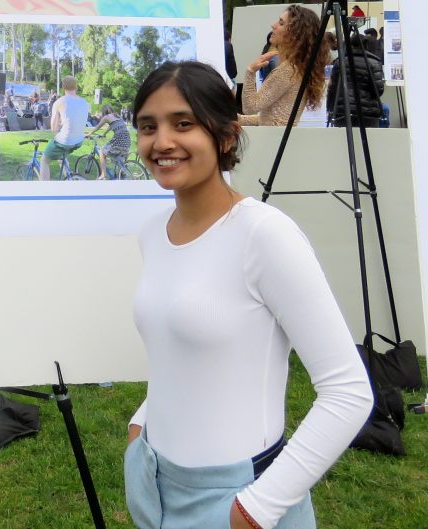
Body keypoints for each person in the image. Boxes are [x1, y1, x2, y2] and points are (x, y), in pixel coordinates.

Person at [124, 61, 373, 529]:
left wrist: (256, 508)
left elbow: (348, 391)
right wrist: (141, 428)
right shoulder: (152, 233)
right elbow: (176, 351)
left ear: (226, 136)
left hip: (239, 500)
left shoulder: (264, 235)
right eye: (147, 127)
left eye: (184, 123)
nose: (162, 142)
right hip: (153, 480)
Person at [240, 5, 328, 126]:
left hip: (273, 142)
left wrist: (250, 71)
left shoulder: (288, 71)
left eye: (281, 23)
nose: (273, 25)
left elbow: (250, 107)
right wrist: (238, 120)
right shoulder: (299, 68)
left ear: (294, 34)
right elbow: (272, 119)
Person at [327, 33, 386, 128]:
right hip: (368, 113)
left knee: (342, 141)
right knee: (368, 141)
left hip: (343, 111)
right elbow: (378, 90)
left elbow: (333, 87)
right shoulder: (374, 62)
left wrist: (330, 108)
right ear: (366, 45)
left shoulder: (340, 62)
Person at [40, 75, 88, 180]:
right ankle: (69, 178)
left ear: (63, 87)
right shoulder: (84, 102)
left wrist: (59, 127)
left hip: (66, 140)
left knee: (44, 161)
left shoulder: (59, 102)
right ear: (76, 87)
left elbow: (53, 129)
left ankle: (43, 190)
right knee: (62, 156)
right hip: (79, 140)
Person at [86, 105, 132, 179]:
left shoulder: (106, 117)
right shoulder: (117, 116)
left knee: (102, 152)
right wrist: (104, 134)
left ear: (104, 111)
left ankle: (103, 175)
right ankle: (122, 171)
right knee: (116, 155)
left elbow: (98, 126)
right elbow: (111, 126)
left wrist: (89, 134)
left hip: (119, 138)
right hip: (127, 139)